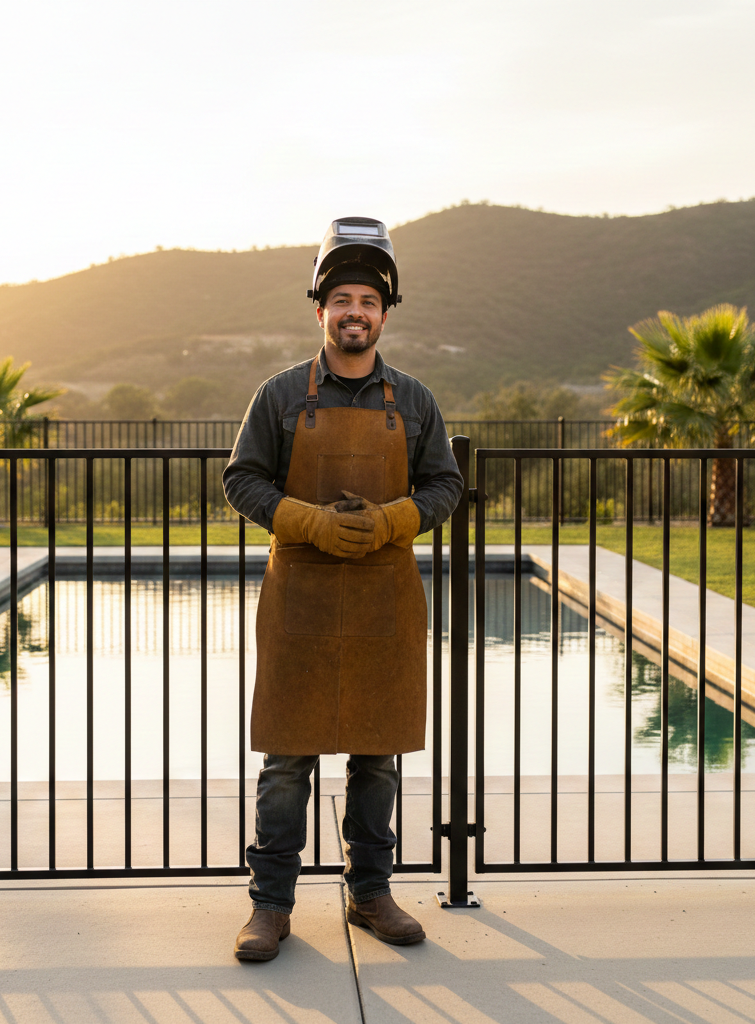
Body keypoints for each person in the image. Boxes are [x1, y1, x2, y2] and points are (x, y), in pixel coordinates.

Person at [222, 217, 463, 961]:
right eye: (341, 299)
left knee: (377, 753)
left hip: (383, 598)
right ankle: (271, 907)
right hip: (300, 595)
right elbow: (242, 480)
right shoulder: (280, 395)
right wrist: (302, 520)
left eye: (367, 299)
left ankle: (370, 894)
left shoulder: (415, 402)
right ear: (319, 309)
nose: (354, 311)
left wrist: (396, 517)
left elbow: (446, 485)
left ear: (386, 313)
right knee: (287, 761)